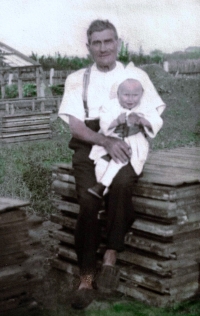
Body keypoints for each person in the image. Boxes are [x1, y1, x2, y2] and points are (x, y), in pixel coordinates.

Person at [58, 19, 166, 309]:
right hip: (89, 146)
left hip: (128, 143)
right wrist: (105, 141)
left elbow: (154, 114)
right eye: (97, 42)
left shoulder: (136, 75)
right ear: (89, 47)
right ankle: (86, 276)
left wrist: (131, 129)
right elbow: (76, 127)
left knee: (120, 185)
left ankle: (110, 256)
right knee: (89, 200)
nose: (103, 48)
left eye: (109, 41)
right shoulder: (77, 79)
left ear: (117, 43)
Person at [88, 71, 164, 199]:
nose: (130, 99)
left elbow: (157, 121)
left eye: (135, 95)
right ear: (118, 94)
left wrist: (141, 120)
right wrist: (117, 121)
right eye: (126, 95)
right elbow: (104, 123)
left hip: (134, 145)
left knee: (119, 159)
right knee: (101, 163)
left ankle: (102, 185)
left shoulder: (145, 106)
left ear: (142, 94)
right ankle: (102, 194)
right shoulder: (110, 106)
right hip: (111, 142)